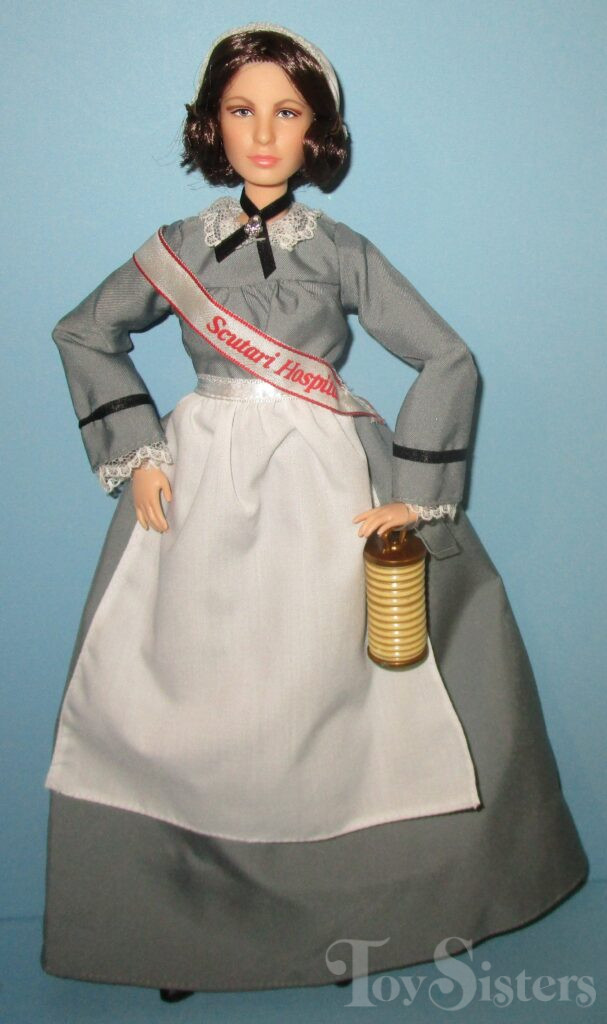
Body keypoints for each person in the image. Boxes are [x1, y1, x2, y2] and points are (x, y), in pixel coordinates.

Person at [42, 23, 588, 1002]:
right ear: (212, 123)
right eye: (241, 110)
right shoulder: (178, 248)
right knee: (192, 691)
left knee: (339, 688)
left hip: (325, 477)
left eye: (285, 112)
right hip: (202, 483)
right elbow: (86, 331)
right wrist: (137, 451)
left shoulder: (338, 251)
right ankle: (177, 927)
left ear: (315, 131)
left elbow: (445, 356)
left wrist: (413, 489)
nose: (262, 134)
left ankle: (351, 918)